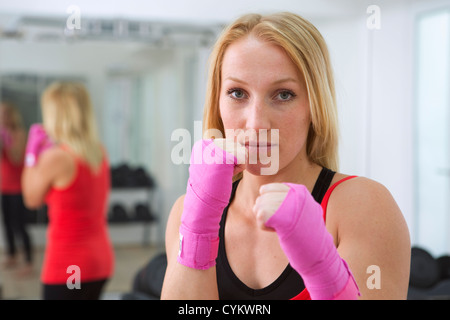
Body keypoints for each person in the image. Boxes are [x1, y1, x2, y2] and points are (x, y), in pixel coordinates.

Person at [161, 12, 411, 300]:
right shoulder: (185, 213)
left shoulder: (362, 207)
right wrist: (198, 228)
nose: (256, 123)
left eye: (283, 95)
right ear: (217, 102)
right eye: (237, 93)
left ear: (314, 106)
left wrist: (324, 270)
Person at [21, 82, 114, 300]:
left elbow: (30, 199)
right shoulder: (98, 152)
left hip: (71, 266)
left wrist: (30, 156)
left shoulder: (57, 158)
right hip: (99, 261)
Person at [0, 102, 34, 275]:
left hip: (18, 186)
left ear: (12, 115)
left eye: (5, 113)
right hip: (3, 186)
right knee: (6, 223)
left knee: (20, 224)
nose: (2, 117)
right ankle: (12, 255)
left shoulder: (20, 133)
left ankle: (28, 261)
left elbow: (16, 158)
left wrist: (7, 140)